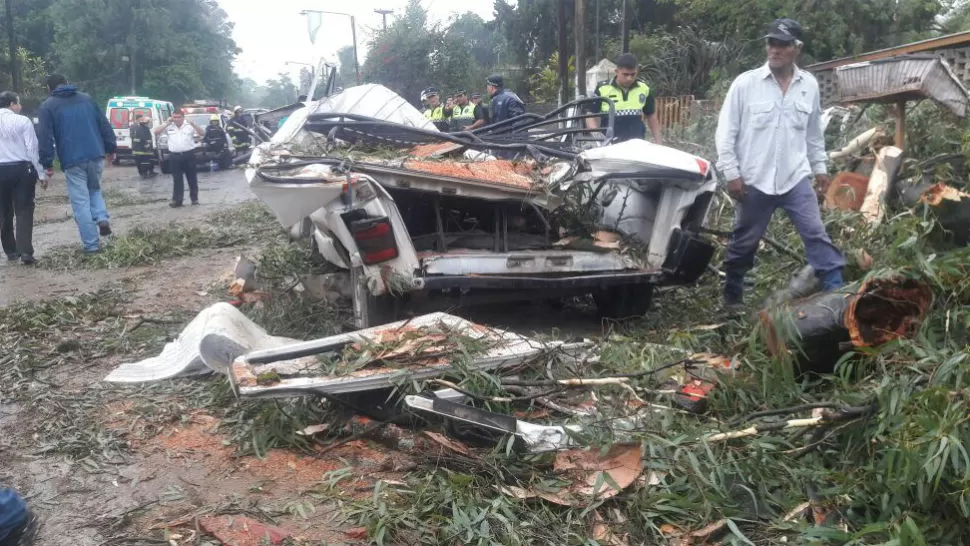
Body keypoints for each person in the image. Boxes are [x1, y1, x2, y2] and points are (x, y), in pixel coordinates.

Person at [714, 18, 844, 309]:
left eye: (782, 44)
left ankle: (838, 292)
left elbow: (813, 134)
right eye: (771, 43)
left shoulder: (808, 85)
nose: (774, 49)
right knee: (744, 241)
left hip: (794, 178)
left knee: (815, 232)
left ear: (797, 48)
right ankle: (732, 296)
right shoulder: (746, 84)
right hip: (753, 180)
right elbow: (725, 133)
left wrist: (820, 169)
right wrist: (732, 174)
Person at [37, 74, 115, 254]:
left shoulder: (48, 106)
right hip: (96, 154)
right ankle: (101, 217)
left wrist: (47, 162)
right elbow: (104, 124)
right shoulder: (87, 99)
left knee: (80, 202)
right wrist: (111, 148)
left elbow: (45, 137)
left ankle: (92, 245)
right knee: (94, 189)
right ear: (67, 83)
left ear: (49, 89)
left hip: (72, 159)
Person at [0, 91, 46, 265]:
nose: (20, 107)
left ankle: (11, 251)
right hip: (21, 169)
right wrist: (41, 173)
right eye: (18, 103)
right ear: (11, 104)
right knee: (24, 209)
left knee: (3, 211)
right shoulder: (23, 121)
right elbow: (32, 149)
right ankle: (26, 251)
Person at [585, 53, 662, 143]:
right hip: (610, 145)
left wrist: (658, 142)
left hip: (637, 144)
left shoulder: (644, 89)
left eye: (633, 74)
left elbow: (651, 115)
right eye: (625, 74)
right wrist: (597, 137)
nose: (629, 78)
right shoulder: (602, 89)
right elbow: (589, 114)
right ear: (617, 71)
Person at [155, 109, 204, 207]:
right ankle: (177, 200)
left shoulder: (189, 126)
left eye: (179, 117)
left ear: (183, 117)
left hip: (188, 155)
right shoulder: (169, 126)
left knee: (192, 178)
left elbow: (202, 133)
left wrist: (193, 124)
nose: (176, 119)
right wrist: (167, 122)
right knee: (177, 179)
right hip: (175, 156)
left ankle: (194, 199)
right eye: (174, 117)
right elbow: (156, 131)